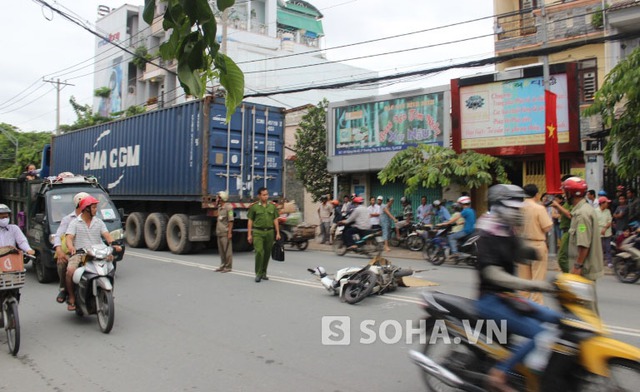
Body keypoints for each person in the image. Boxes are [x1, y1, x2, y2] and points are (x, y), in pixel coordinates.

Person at [475, 184, 561, 392]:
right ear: (497, 206)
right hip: (490, 300)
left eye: (518, 207)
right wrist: (533, 285)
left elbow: (520, 252)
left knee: (557, 319)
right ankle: (499, 373)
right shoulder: (486, 232)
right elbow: (492, 273)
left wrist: (534, 251)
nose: (517, 212)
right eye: (512, 207)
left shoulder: (508, 230)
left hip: (508, 297)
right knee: (538, 333)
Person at [65, 196, 122, 311]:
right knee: (70, 271)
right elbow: (69, 237)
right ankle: (71, 297)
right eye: (94, 207)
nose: (96, 209)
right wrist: (71, 247)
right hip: (82, 255)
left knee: (110, 267)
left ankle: (108, 292)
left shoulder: (99, 222)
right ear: (86, 209)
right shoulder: (75, 223)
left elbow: (107, 235)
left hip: (98, 253)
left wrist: (114, 244)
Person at [52, 191, 91, 304]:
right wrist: (59, 250)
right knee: (62, 263)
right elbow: (58, 235)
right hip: (72, 252)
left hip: (90, 251)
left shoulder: (94, 219)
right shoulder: (68, 219)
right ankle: (64, 289)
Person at [563, 177, 604, 281]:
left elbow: (584, 244)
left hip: (583, 270)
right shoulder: (585, 209)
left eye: (565, 192)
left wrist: (577, 266)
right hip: (583, 267)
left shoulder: (582, 214)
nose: (564, 195)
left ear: (570, 194)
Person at [518, 184, 553, 305]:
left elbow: (514, 228)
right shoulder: (539, 209)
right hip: (537, 244)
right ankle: (537, 304)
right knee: (537, 277)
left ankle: (523, 303)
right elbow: (547, 227)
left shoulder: (518, 208)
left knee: (523, 279)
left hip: (522, 245)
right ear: (537, 195)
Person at [247, 187, 281, 283]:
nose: (266, 196)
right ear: (259, 196)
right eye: (264, 195)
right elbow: (250, 220)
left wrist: (277, 232)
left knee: (267, 253)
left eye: (267, 194)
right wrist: (249, 234)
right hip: (258, 232)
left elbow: (275, 219)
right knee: (259, 252)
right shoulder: (254, 207)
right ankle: (258, 273)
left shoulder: (272, 206)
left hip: (269, 232)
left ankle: (264, 272)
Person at [551, 193, 573, 273]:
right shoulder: (567, 202)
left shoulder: (572, 203)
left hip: (568, 231)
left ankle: (570, 274)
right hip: (564, 230)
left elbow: (569, 214)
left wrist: (558, 205)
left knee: (562, 257)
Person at [214, 191, 234, 273]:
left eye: (218, 197)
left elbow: (231, 221)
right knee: (221, 251)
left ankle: (228, 267)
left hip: (225, 232)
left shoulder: (229, 208)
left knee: (227, 251)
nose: (217, 199)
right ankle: (222, 265)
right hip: (219, 232)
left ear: (221, 198)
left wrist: (229, 233)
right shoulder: (219, 207)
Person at [595, 196, 613, 268]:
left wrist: (605, 228)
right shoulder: (595, 211)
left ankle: (609, 262)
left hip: (607, 232)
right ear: (602, 203)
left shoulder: (608, 211)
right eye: (606, 203)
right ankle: (600, 262)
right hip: (598, 232)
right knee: (600, 248)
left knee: (608, 247)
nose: (607, 204)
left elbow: (609, 221)